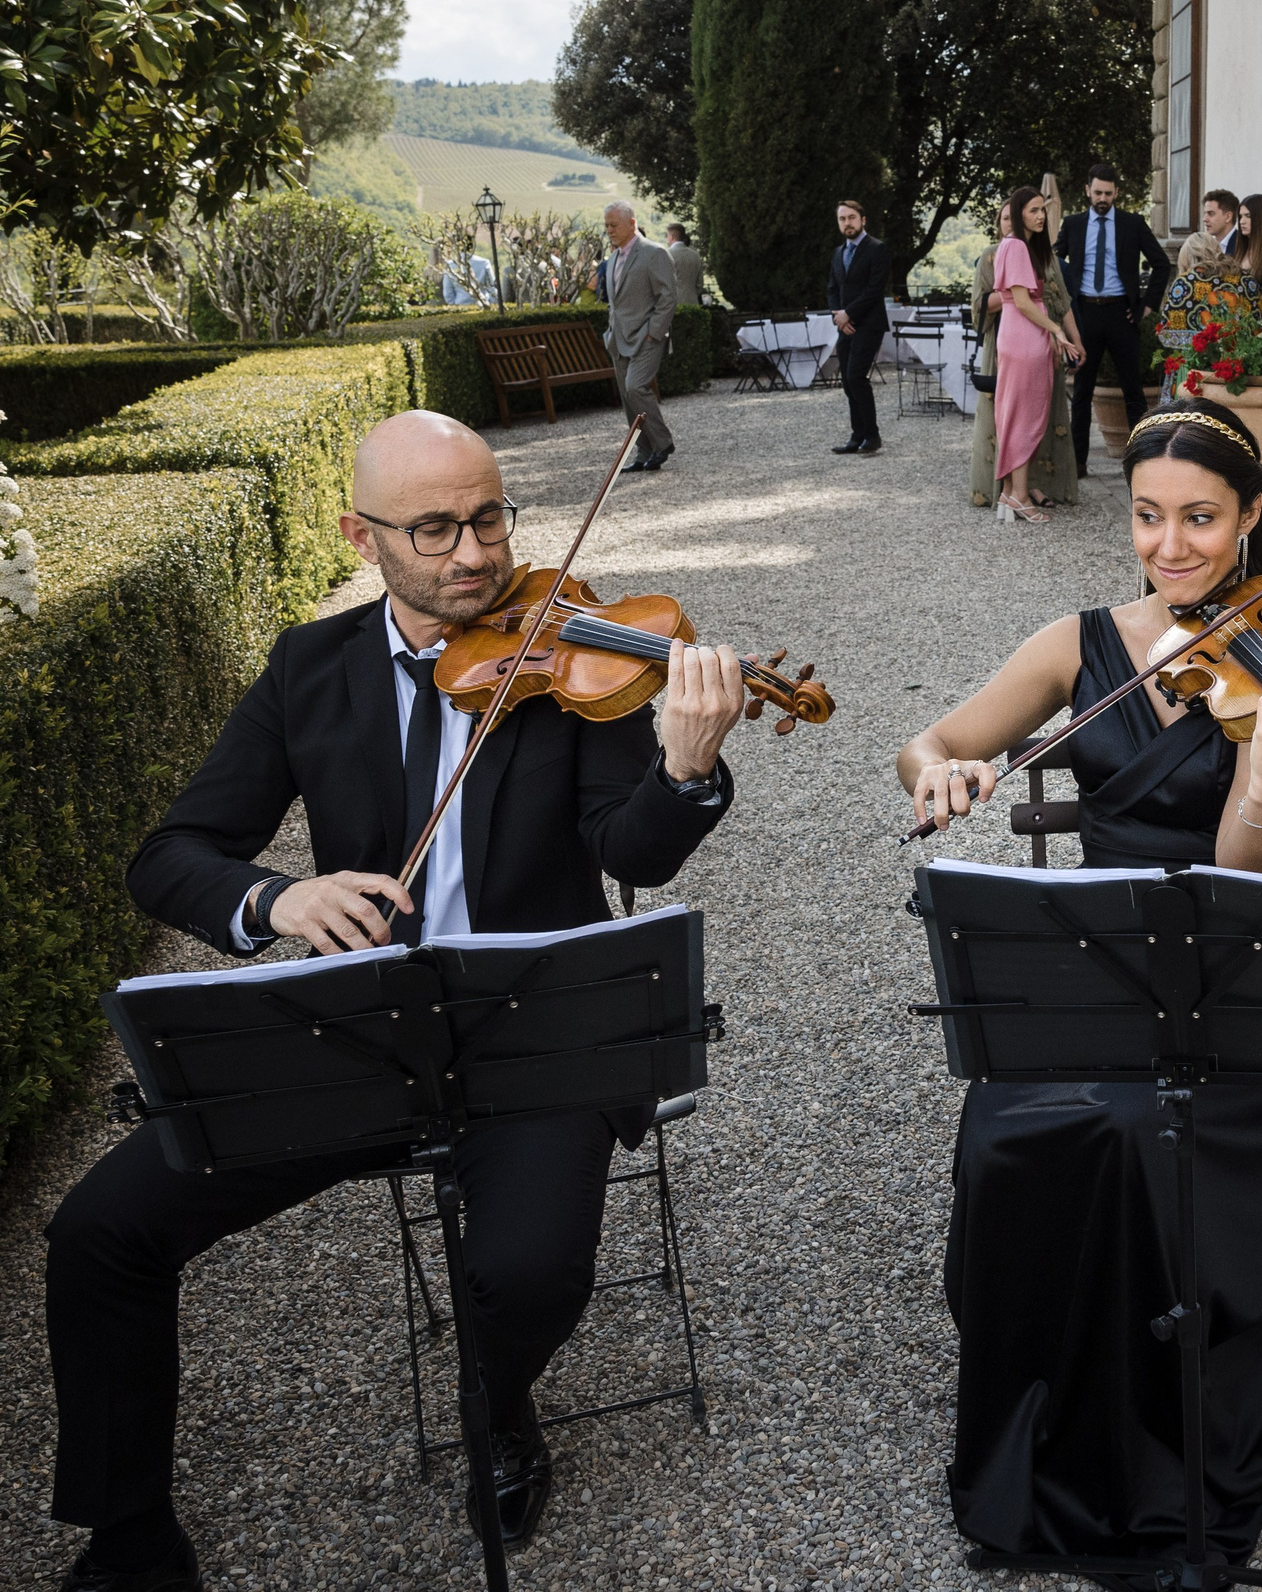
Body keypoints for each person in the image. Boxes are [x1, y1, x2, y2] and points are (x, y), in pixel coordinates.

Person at [41, 411, 747, 1590]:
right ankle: (127, 1536)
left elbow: (638, 849)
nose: (475, 556)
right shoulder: (306, 670)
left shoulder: (589, 649)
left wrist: (685, 770)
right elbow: (172, 855)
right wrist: (277, 902)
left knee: (527, 1272)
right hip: (358, 1025)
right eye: (434, 529)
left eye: (488, 517)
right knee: (99, 1233)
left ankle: (498, 1393)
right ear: (359, 536)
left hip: (538, 1027)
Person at [894, 398, 1262, 1574]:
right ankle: (1049, 1429)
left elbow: (1250, 877)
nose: (1170, 546)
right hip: (1096, 967)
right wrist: (946, 777)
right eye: (1148, 518)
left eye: (1200, 518)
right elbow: (930, 741)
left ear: (1254, 517)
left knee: (1169, 1141)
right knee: (1020, 1141)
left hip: (1230, 968)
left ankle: (1178, 1435)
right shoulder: (1078, 642)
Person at [1057, 161, 1172, 479]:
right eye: (1097, 193)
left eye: (1108, 193)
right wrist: (1063, 305)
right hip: (1084, 314)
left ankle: (1139, 462)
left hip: (1122, 313)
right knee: (1081, 390)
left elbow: (1161, 264)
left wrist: (1147, 306)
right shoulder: (1074, 224)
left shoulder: (1132, 224)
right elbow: (1053, 264)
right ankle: (1078, 463)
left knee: (1133, 391)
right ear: (1087, 191)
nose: (1103, 198)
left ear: (1117, 192)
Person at [988, 186, 1087, 522]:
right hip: (1024, 336)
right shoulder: (1015, 245)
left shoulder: (1019, 246)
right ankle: (1017, 495)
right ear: (1019, 213)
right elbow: (1023, 301)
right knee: (1023, 416)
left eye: (1042, 209)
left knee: (1018, 413)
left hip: (1023, 334)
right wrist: (1056, 329)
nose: (1041, 215)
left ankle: (1010, 492)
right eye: (1033, 210)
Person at [600, 200, 678, 473]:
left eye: (614, 225)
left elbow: (668, 297)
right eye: (606, 225)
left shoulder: (654, 253)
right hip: (618, 340)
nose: (609, 230)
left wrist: (653, 333)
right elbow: (616, 303)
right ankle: (644, 453)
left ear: (632, 223)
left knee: (636, 388)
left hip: (647, 337)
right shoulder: (612, 259)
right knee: (627, 399)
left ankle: (663, 442)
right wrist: (610, 333)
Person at [826, 198, 892, 456]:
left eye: (851, 217)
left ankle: (872, 436)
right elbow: (833, 288)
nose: (847, 223)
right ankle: (857, 435)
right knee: (847, 381)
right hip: (844, 325)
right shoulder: (838, 252)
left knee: (856, 376)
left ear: (862, 220)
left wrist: (849, 314)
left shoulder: (877, 249)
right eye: (842, 219)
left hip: (869, 323)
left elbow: (875, 289)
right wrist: (839, 317)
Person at [968, 200, 1013, 507]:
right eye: (1005, 218)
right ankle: (991, 488)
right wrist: (1015, 294)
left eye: (1015, 218)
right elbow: (978, 306)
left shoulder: (1039, 256)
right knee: (996, 416)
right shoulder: (990, 255)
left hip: (1037, 348)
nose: (1009, 224)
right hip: (998, 344)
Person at [1176, 188, 1242, 275]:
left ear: (1228, 217)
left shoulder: (1242, 244)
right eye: (1205, 214)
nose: (1204, 219)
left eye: (1211, 214)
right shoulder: (1207, 246)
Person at [664, 222, 706, 306]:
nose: (667, 239)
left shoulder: (667, 255)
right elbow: (699, 284)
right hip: (693, 303)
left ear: (671, 236)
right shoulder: (695, 255)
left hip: (673, 305)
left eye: (667, 236)